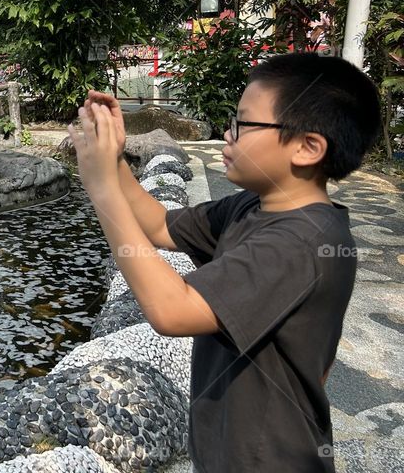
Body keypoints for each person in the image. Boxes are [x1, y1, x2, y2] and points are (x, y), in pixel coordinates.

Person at [66, 52, 381, 473]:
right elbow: (158, 224)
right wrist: (117, 158)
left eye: (244, 124)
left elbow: (173, 311)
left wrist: (102, 189)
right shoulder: (256, 206)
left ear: (307, 148)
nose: (228, 135)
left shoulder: (304, 241)